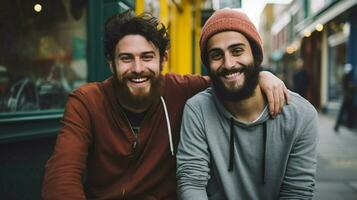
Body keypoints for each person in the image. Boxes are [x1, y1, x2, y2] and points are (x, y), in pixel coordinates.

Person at [42, 10, 289, 200]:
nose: (137, 69)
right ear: (111, 63)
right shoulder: (86, 102)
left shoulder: (182, 90)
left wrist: (262, 76)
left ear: (163, 59)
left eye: (147, 57)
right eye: (126, 58)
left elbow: (229, 75)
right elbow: (62, 176)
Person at [176, 8, 318, 200]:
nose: (228, 64)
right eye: (216, 55)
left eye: (237, 51)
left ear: (256, 56)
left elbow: (297, 193)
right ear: (208, 65)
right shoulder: (198, 110)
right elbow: (191, 181)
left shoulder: (300, 115)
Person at [334, 63, 355, 132]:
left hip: (346, 97)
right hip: (347, 97)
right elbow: (350, 87)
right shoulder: (347, 77)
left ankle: (341, 125)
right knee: (345, 111)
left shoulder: (345, 77)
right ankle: (342, 125)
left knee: (345, 111)